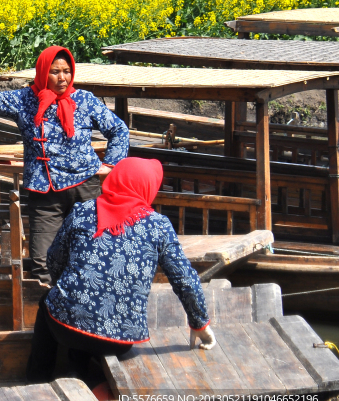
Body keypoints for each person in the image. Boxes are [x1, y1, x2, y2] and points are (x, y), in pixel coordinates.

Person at [0, 45, 129, 284]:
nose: (62, 77)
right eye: (55, 72)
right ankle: (47, 312)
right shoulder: (24, 100)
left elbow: (118, 130)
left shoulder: (84, 100)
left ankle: (87, 306)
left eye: (66, 71)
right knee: (42, 260)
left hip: (84, 188)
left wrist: (111, 164)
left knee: (91, 250)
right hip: (44, 191)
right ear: (42, 73)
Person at [26, 157, 214, 383]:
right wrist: (199, 324)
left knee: (53, 302)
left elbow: (54, 259)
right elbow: (185, 279)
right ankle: (79, 374)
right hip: (122, 337)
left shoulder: (83, 212)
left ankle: (36, 379)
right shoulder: (159, 225)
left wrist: (68, 287)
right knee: (90, 312)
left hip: (65, 327)